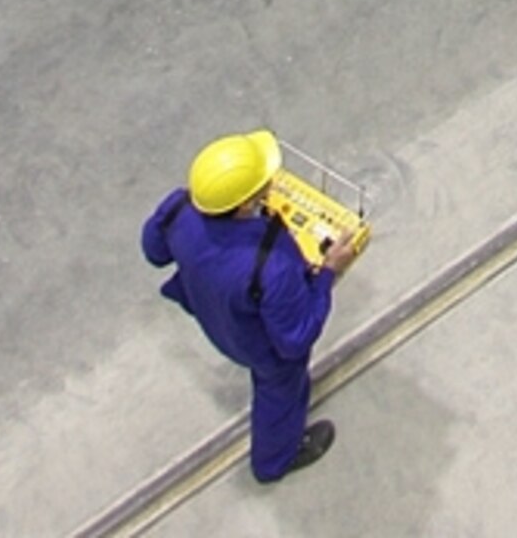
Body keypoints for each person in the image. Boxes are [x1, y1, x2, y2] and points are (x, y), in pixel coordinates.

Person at [141, 129, 356, 482]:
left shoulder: (178, 206)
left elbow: (154, 251)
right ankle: (275, 460)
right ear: (244, 204)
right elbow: (295, 338)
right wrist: (328, 272)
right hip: (257, 345)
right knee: (281, 384)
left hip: (212, 313)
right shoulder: (274, 264)